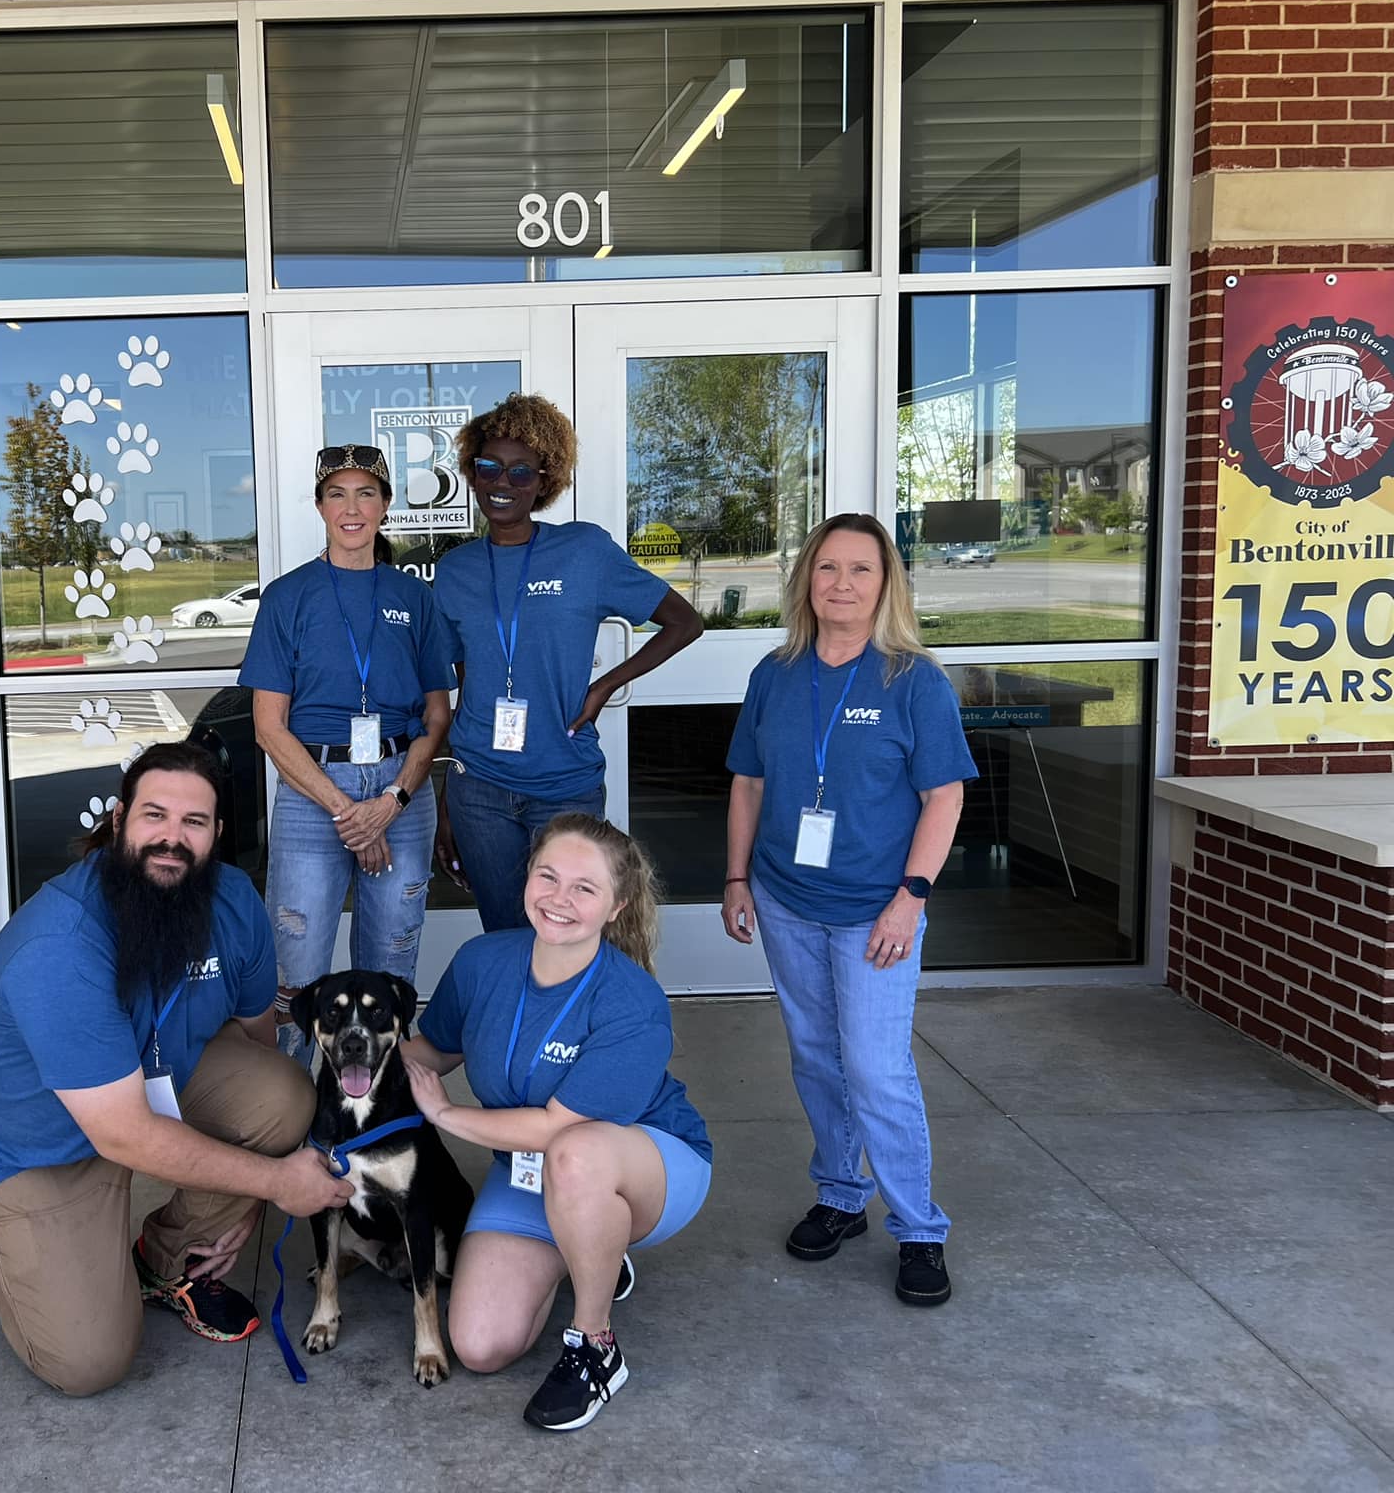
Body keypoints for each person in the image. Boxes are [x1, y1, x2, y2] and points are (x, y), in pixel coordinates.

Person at [0, 741, 352, 1396]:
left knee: (282, 1098)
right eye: (155, 815)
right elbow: (122, 1133)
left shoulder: (234, 901)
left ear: (217, 833)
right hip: (36, 1141)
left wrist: (244, 1187)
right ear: (121, 819)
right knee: (87, 1362)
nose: (172, 840)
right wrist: (272, 1181)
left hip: (147, 1085)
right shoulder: (59, 944)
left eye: (194, 822)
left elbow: (257, 1035)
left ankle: (169, 1264)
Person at [720, 512, 975, 1308]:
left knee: (875, 1068)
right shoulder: (776, 673)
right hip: (788, 903)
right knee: (815, 1057)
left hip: (877, 910)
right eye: (827, 568)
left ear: (886, 584)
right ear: (806, 581)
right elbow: (748, 783)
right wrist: (735, 879)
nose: (841, 584)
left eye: (860, 570)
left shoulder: (914, 681)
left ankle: (919, 1229)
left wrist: (912, 899)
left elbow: (944, 797)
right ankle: (840, 1193)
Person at [401, 814, 712, 1432]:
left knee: (576, 1154)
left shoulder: (632, 1001)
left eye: (584, 888)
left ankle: (595, 1345)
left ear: (617, 905)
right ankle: (591, 1243)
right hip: (529, 1170)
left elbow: (553, 1129)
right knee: (480, 1345)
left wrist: (446, 1113)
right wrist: (356, 1061)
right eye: (548, 876)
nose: (559, 899)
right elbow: (433, 1051)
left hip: (643, 1163)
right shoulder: (482, 960)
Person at [431, 393, 703, 932]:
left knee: (566, 930)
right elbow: (460, 684)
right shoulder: (455, 570)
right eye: (488, 467)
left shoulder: (585, 552)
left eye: (520, 471)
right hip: (479, 786)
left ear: (543, 480)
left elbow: (684, 622)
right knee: (505, 932)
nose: (502, 482)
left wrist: (603, 687)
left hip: (564, 781)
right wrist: (447, 802)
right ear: (471, 472)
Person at [239, 443, 455, 1062]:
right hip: (315, 789)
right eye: (337, 494)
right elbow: (269, 728)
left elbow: (437, 715)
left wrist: (388, 802)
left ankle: (375, 1113)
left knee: (390, 965)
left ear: (386, 507)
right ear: (319, 506)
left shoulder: (414, 598)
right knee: (297, 969)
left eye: (366, 493)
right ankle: (287, 1117)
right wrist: (350, 814)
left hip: (400, 789)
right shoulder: (288, 597)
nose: (352, 508)